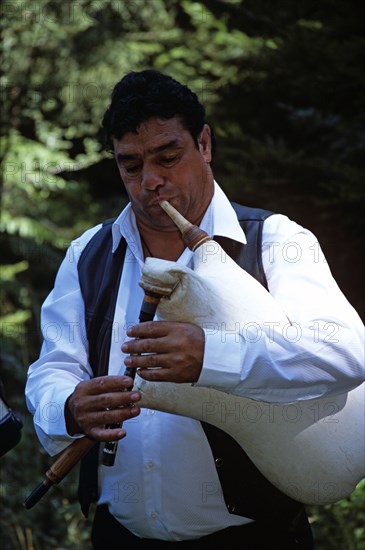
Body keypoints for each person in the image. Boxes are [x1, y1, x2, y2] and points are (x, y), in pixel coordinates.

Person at [25, 70, 364, 549]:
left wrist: (211, 356)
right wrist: (69, 406)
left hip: (255, 538)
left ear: (203, 144)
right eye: (130, 165)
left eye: (168, 157)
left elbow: (346, 350)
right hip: (121, 536)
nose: (150, 182)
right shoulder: (89, 253)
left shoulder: (276, 239)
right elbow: (52, 369)